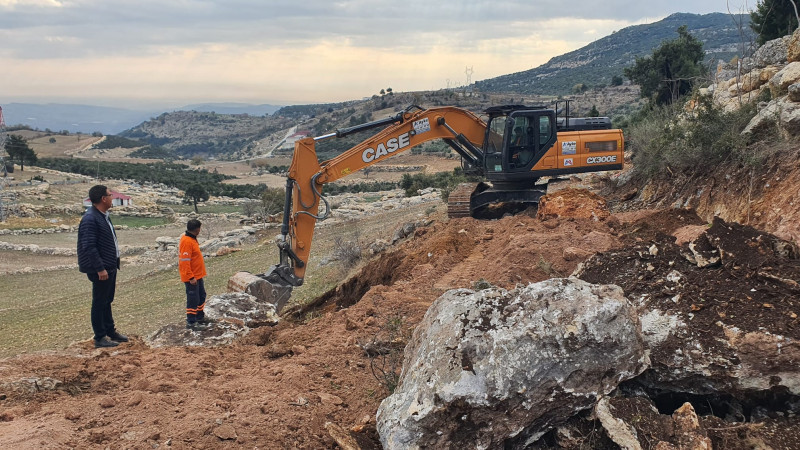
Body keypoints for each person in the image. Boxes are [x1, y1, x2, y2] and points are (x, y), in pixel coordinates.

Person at [77, 185, 128, 348]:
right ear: (103, 199)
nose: (112, 197)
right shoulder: (90, 219)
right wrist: (100, 268)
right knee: (99, 301)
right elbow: (89, 247)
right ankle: (100, 337)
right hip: (101, 269)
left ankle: (110, 331)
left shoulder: (103, 215)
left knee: (107, 300)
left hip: (110, 266)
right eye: (110, 195)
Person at [179, 219, 211, 329]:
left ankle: (200, 317)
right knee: (193, 299)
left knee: (201, 296)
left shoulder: (192, 239)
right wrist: (190, 277)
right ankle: (191, 322)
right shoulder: (187, 241)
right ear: (197, 229)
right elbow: (184, 262)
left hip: (198, 275)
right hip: (191, 277)